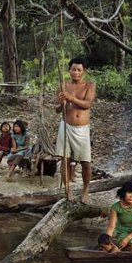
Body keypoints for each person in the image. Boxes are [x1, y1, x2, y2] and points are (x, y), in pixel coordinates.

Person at [54, 57, 96, 203]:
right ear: (69, 70)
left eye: (79, 70)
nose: (76, 72)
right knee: (64, 159)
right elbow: (57, 109)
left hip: (82, 129)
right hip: (65, 126)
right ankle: (68, 189)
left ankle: (85, 190)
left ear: (84, 71)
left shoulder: (89, 85)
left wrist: (71, 98)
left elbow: (87, 104)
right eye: (73, 69)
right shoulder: (63, 86)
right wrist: (62, 103)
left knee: (86, 162)